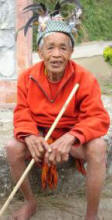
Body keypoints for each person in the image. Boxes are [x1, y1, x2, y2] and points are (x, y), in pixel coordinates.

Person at [6, 20, 110, 220]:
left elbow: (97, 117)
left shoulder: (85, 78)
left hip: (71, 139)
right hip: (41, 136)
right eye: (50, 47)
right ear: (40, 52)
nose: (56, 54)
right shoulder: (27, 77)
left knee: (98, 146)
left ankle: (91, 215)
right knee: (12, 147)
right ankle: (30, 202)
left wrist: (73, 136)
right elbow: (21, 112)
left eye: (63, 48)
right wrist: (29, 135)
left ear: (71, 53)